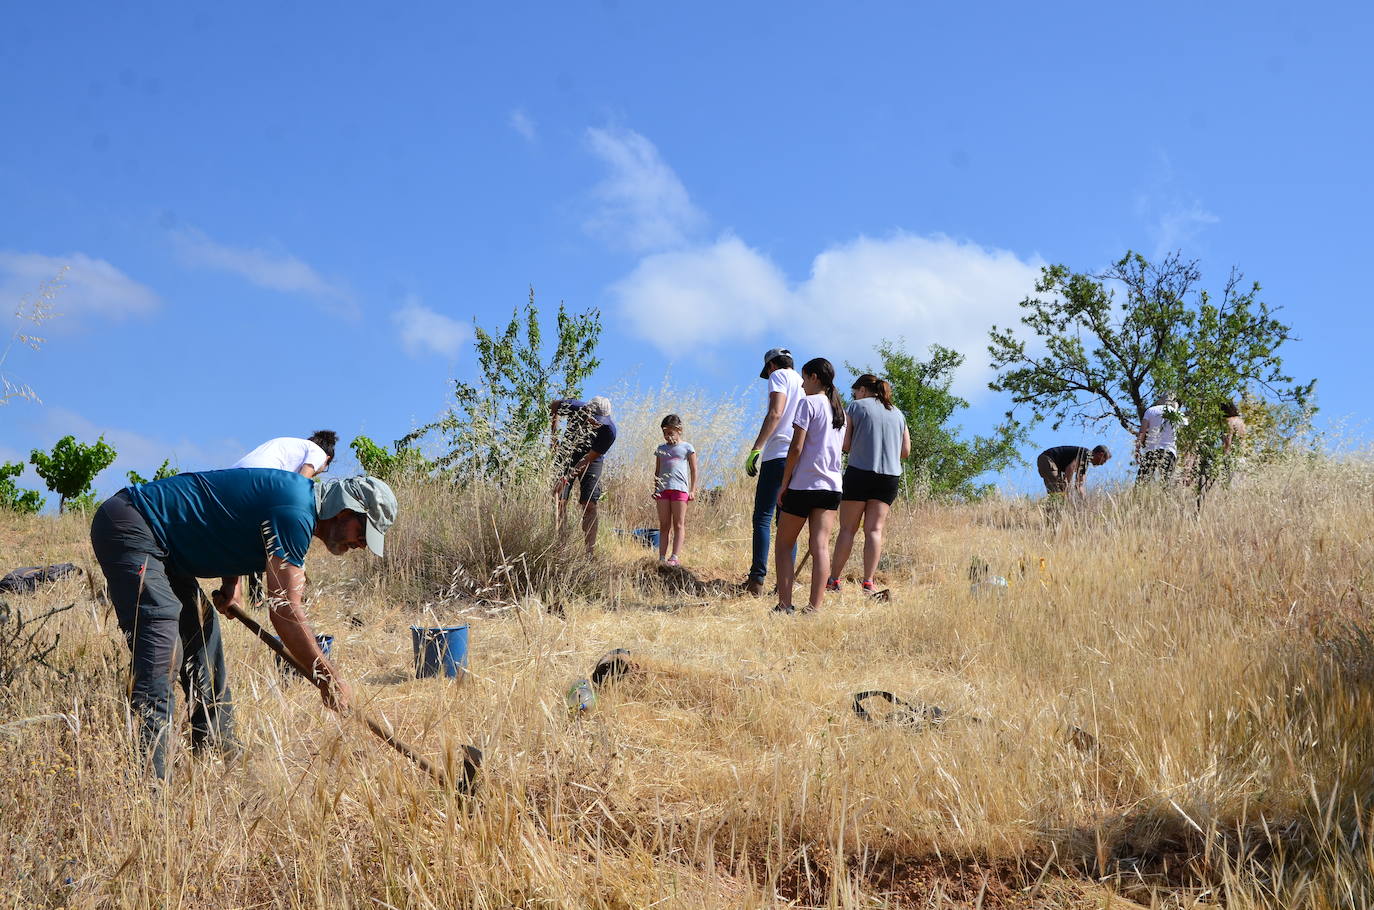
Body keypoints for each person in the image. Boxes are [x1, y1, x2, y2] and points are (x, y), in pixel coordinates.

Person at [89, 470, 396, 780]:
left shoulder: (295, 505)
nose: (362, 544)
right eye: (363, 532)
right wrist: (327, 676)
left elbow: (233, 516)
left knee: (202, 631)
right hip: (134, 524)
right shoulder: (294, 512)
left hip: (165, 546)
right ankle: (149, 790)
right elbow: (285, 610)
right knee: (161, 643)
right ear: (344, 512)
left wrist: (230, 584)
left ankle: (217, 754)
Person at [773, 358, 845, 615]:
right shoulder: (840, 411)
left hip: (804, 484)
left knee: (783, 544)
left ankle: (784, 605)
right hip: (832, 486)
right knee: (820, 546)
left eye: (804, 378)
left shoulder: (808, 403)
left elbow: (796, 447)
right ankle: (815, 607)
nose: (802, 384)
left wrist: (784, 483)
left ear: (815, 377)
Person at [828, 374, 910, 596]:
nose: (854, 395)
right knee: (874, 530)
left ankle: (834, 580)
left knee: (848, 529)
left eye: (855, 391)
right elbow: (905, 452)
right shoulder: (898, 413)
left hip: (860, 472)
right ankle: (868, 582)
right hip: (889, 477)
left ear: (863, 390)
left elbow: (845, 444)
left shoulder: (856, 406)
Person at [742, 348, 804, 596]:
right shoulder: (804, 382)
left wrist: (757, 448)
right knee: (788, 522)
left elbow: (776, 412)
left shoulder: (779, 376)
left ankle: (756, 580)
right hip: (798, 457)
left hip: (777, 454)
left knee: (763, 518)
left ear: (771, 366)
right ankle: (784, 583)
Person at [550, 396, 617, 553]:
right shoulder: (574, 406)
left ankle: (589, 552)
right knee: (559, 500)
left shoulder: (609, 432)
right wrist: (553, 438)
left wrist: (566, 478)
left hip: (591, 459)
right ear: (587, 410)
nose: (597, 423)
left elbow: (588, 459)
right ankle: (561, 547)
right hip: (567, 453)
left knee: (589, 505)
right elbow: (554, 405)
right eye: (594, 418)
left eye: (601, 420)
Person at [652, 414, 697, 566]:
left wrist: (692, 490)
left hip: (680, 489)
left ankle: (675, 556)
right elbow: (657, 471)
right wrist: (656, 488)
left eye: (670, 432)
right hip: (663, 489)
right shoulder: (661, 449)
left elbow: (694, 470)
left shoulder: (687, 447)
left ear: (679, 430)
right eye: (664, 433)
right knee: (664, 524)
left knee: (678, 523)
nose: (667, 436)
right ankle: (662, 557)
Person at [232, 430, 338, 478]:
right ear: (327, 459)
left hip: (231, 474)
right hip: (262, 475)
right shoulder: (319, 453)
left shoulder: (287, 443)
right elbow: (301, 482)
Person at [1136, 396, 1183, 484]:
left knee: (1141, 482)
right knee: (1166, 483)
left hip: (1151, 450)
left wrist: (1137, 449)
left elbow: (1142, 432)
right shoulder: (1177, 414)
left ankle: (1137, 497)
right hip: (1169, 451)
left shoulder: (1150, 411)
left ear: (1160, 400)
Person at [1036, 444, 1111, 496]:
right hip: (1048, 459)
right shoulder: (1085, 454)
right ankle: (1051, 515)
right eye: (1104, 461)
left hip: (1053, 464)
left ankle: (1054, 515)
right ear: (1100, 454)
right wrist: (1067, 487)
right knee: (1057, 492)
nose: (1102, 464)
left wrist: (1084, 500)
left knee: (1060, 493)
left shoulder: (1084, 463)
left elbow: (1079, 485)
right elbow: (1071, 468)